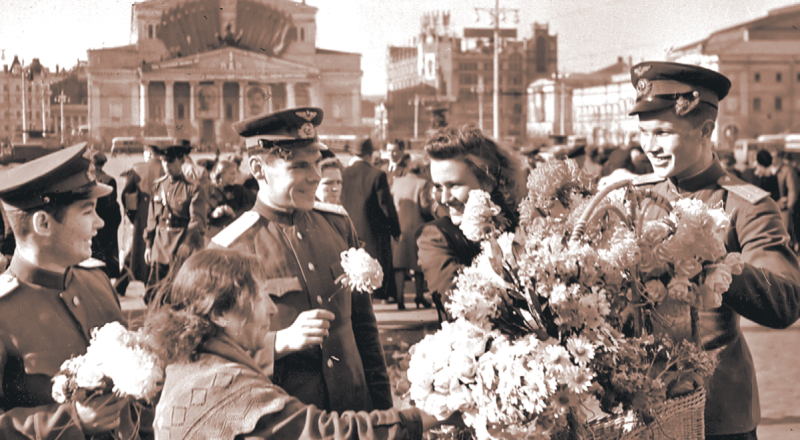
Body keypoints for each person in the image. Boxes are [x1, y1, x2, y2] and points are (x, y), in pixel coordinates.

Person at [628, 61, 800, 440]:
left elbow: (786, 301)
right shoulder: (640, 199)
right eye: (644, 133)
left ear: (706, 130)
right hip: (644, 410)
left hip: (717, 415)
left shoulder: (747, 205)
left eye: (662, 132)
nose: (650, 146)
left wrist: (714, 260)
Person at [145, 248, 457, 440]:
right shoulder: (227, 386)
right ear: (220, 313)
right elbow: (329, 434)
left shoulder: (187, 366)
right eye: (260, 297)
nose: (271, 308)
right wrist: (428, 416)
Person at [209, 107, 393, 413]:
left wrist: (385, 414)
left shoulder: (338, 224)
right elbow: (215, 356)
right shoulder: (229, 248)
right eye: (299, 166)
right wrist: (278, 342)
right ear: (258, 168)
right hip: (289, 421)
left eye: (317, 163)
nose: (316, 176)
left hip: (354, 411)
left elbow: (365, 329)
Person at [0, 144, 148, 439]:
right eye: (87, 211)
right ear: (43, 223)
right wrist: (69, 421)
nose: (100, 222)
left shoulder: (97, 280)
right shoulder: (4, 311)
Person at [416, 125, 525, 322]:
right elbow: (460, 303)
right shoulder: (436, 236)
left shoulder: (520, 224)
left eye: (454, 185)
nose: (445, 198)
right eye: (438, 186)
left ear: (488, 182)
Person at [144, 141, 208, 303]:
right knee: (154, 294)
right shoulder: (158, 186)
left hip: (181, 245)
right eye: (163, 161)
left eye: (171, 162)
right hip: (160, 246)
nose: (166, 166)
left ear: (181, 161)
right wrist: (148, 245)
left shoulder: (193, 188)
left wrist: (186, 244)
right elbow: (152, 218)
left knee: (179, 295)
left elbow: (197, 221)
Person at [341, 139, 402, 307]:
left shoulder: (343, 174)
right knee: (377, 265)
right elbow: (386, 206)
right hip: (374, 232)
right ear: (370, 154)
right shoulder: (377, 175)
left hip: (349, 229)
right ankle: (381, 295)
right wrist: (396, 231)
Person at [116, 147, 164, 294]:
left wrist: (133, 216)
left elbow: (126, 194)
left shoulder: (138, 168)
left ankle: (122, 284)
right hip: (162, 216)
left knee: (136, 252)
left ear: (148, 152)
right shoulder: (166, 168)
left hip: (142, 216)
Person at [391, 162, 434, 309]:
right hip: (417, 227)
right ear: (421, 170)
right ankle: (419, 296)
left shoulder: (396, 182)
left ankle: (400, 299)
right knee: (418, 264)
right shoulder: (422, 183)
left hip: (399, 227)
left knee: (399, 264)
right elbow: (425, 207)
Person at [91, 150, 122, 279]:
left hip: (91, 224)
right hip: (106, 226)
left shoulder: (87, 179)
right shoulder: (109, 180)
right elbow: (112, 206)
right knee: (108, 259)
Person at [207, 160, 256, 237]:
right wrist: (213, 214)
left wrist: (234, 213)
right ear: (221, 174)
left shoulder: (240, 190)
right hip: (215, 234)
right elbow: (200, 216)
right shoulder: (209, 191)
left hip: (236, 233)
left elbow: (251, 210)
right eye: (232, 174)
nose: (235, 177)